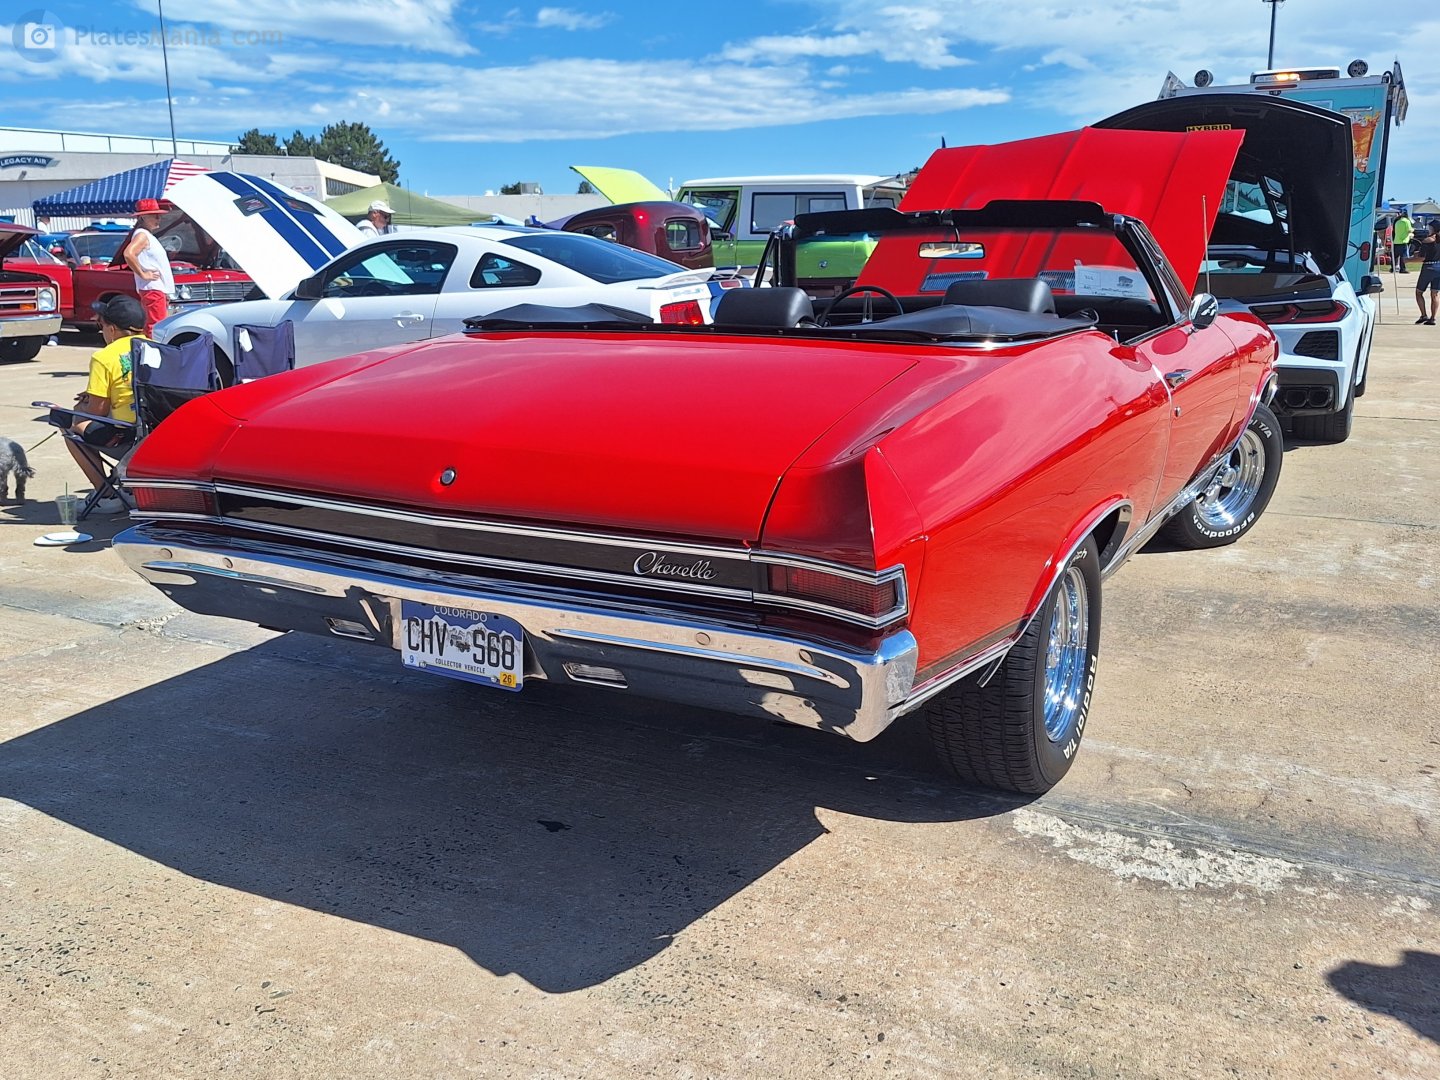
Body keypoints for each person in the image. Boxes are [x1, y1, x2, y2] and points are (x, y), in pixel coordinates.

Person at [66, 295, 144, 512]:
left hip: (126, 437)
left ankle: (108, 496)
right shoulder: (157, 348)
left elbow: (96, 414)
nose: (101, 330)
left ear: (112, 329)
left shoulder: (104, 357)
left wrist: (83, 407)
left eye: (101, 324)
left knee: (71, 424)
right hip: (157, 434)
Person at [123, 197, 174, 335]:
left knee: (152, 326)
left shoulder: (145, 235)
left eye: (159, 215)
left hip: (155, 289)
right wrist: (143, 274)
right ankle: (154, 354)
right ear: (143, 217)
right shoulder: (142, 235)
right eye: (155, 215)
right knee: (156, 328)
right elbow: (128, 254)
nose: (159, 218)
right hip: (153, 288)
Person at [1415, 221, 1440, 325]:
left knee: (1419, 292)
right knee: (1435, 294)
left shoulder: (1428, 240)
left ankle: (1423, 315)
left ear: (1433, 228)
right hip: (1439, 267)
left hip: (1428, 267)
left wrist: (1407, 260)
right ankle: (1433, 318)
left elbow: (1422, 257)